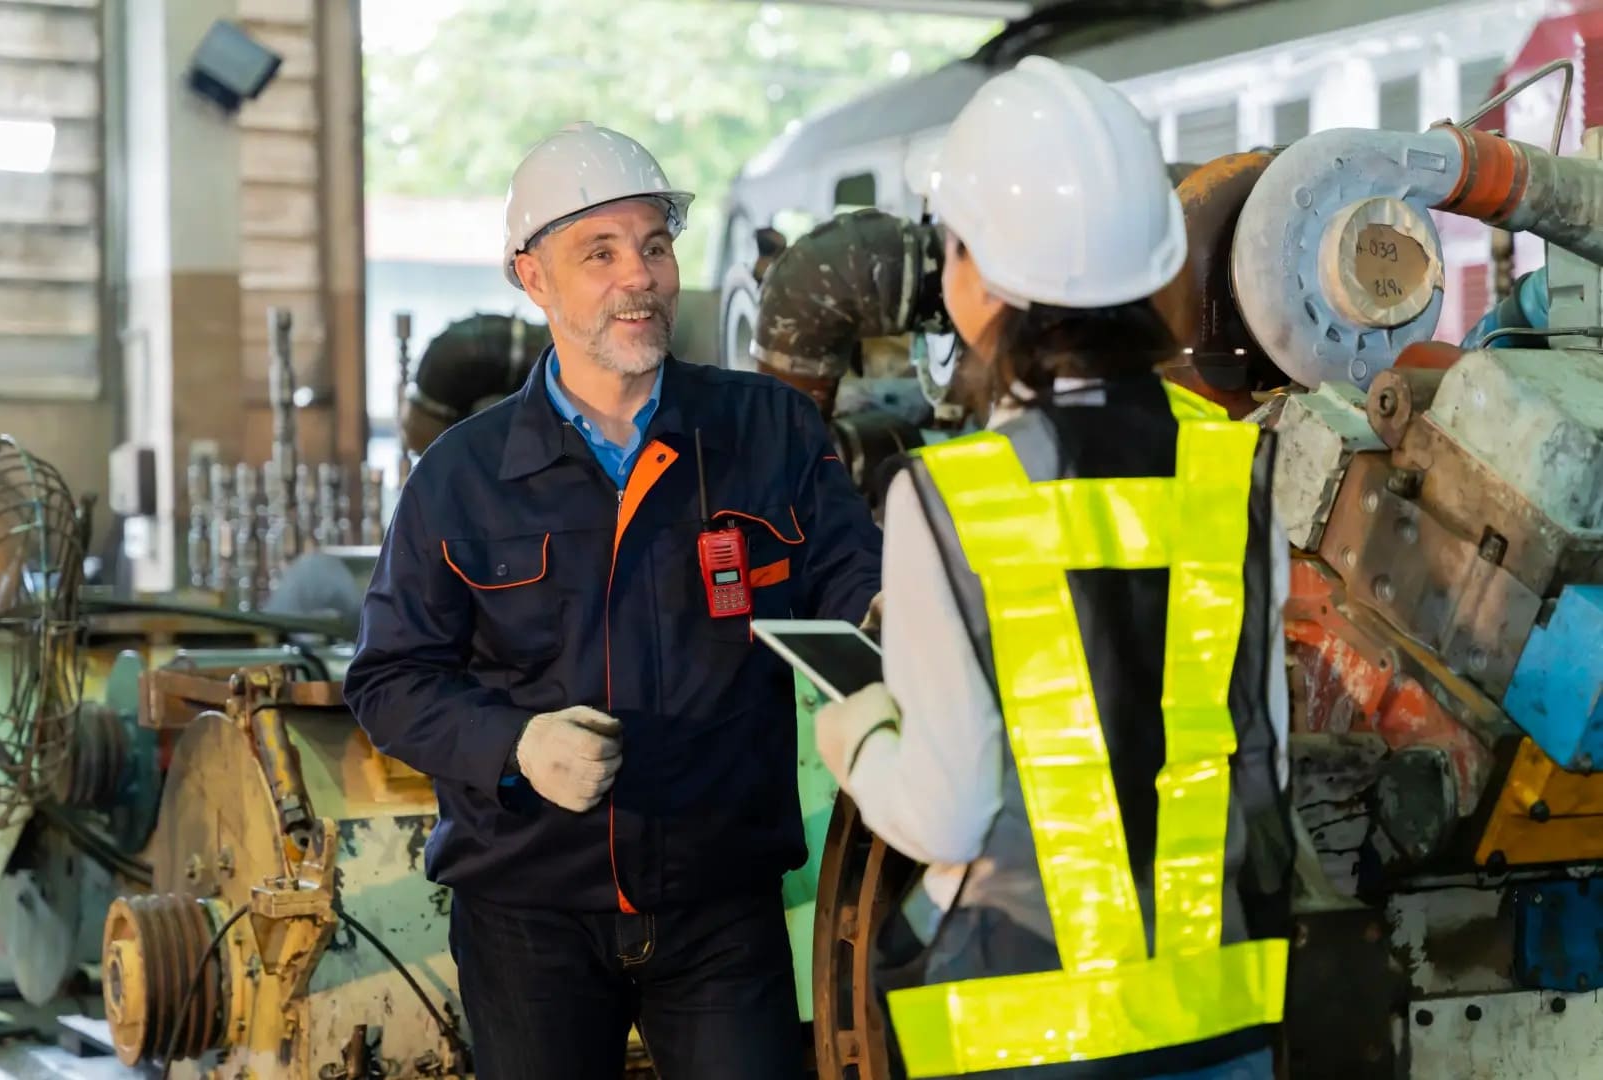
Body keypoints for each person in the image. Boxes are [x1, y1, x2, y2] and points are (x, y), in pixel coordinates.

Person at [345, 121, 882, 1079]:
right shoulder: (460, 478)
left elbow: (860, 593)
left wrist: (896, 647)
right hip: (528, 919)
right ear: (531, 277)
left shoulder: (767, 434)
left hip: (721, 907)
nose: (640, 276)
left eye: (655, 246)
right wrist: (514, 744)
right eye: (600, 252)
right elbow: (389, 680)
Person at [814, 58, 1293, 1079]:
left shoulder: (948, 498)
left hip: (1021, 1030)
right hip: (1219, 1013)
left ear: (983, 276)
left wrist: (857, 738)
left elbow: (945, 809)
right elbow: (1264, 765)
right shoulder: (1240, 469)